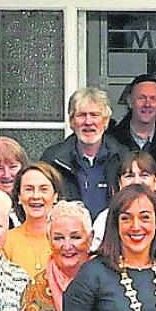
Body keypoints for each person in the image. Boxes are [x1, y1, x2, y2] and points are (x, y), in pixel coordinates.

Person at [41, 87, 128, 215]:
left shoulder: (123, 158)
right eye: (81, 115)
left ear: (105, 121)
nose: (88, 122)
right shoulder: (53, 160)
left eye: (95, 115)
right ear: (71, 122)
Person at [107, 74, 156, 182]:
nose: (147, 104)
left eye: (153, 98)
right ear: (129, 101)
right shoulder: (110, 141)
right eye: (141, 98)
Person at [90, 151, 156, 251]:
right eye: (129, 176)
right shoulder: (104, 218)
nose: (136, 181)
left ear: (155, 181)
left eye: (144, 175)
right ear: (120, 183)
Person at [2, 162, 63, 278]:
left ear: (55, 196)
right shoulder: (6, 241)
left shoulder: (66, 241)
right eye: (29, 189)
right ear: (19, 197)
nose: (35, 196)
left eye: (43, 189)